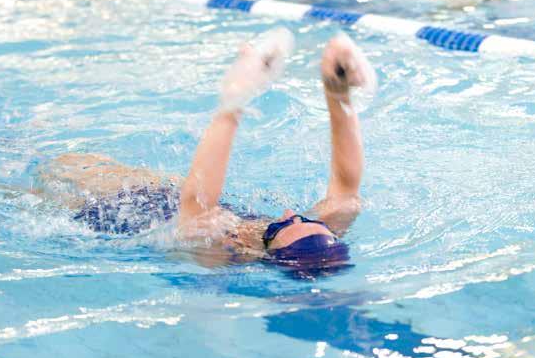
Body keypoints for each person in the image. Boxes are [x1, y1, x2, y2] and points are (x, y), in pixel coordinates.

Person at [27, 29, 376, 273]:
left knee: (35, 184)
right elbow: (346, 187)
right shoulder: (317, 234)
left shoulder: (222, 253)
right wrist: (338, 93)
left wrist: (234, 103)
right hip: (167, 195)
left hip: (118, 218)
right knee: (74, 162)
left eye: (280, 226)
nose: (288, 211)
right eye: (303, 218)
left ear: (265, 253)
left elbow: (198, 200)